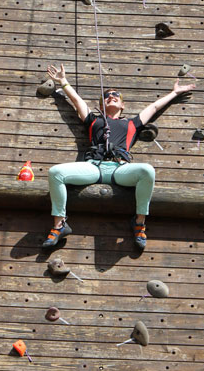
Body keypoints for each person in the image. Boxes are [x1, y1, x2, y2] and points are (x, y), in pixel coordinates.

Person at [42, 64, 195, 249]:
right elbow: (77, 100)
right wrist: (63, 81)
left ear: (123, 105)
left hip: (120, 169)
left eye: (116, 96)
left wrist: (175, 93)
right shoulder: (93, 121)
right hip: (93, 167)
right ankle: (60, 225)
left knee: (147, 170)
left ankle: (139, 223)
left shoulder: (132, 123)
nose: (111, 97)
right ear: (101, 105)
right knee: (56, 172)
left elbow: (154, 107)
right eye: (106, 96)